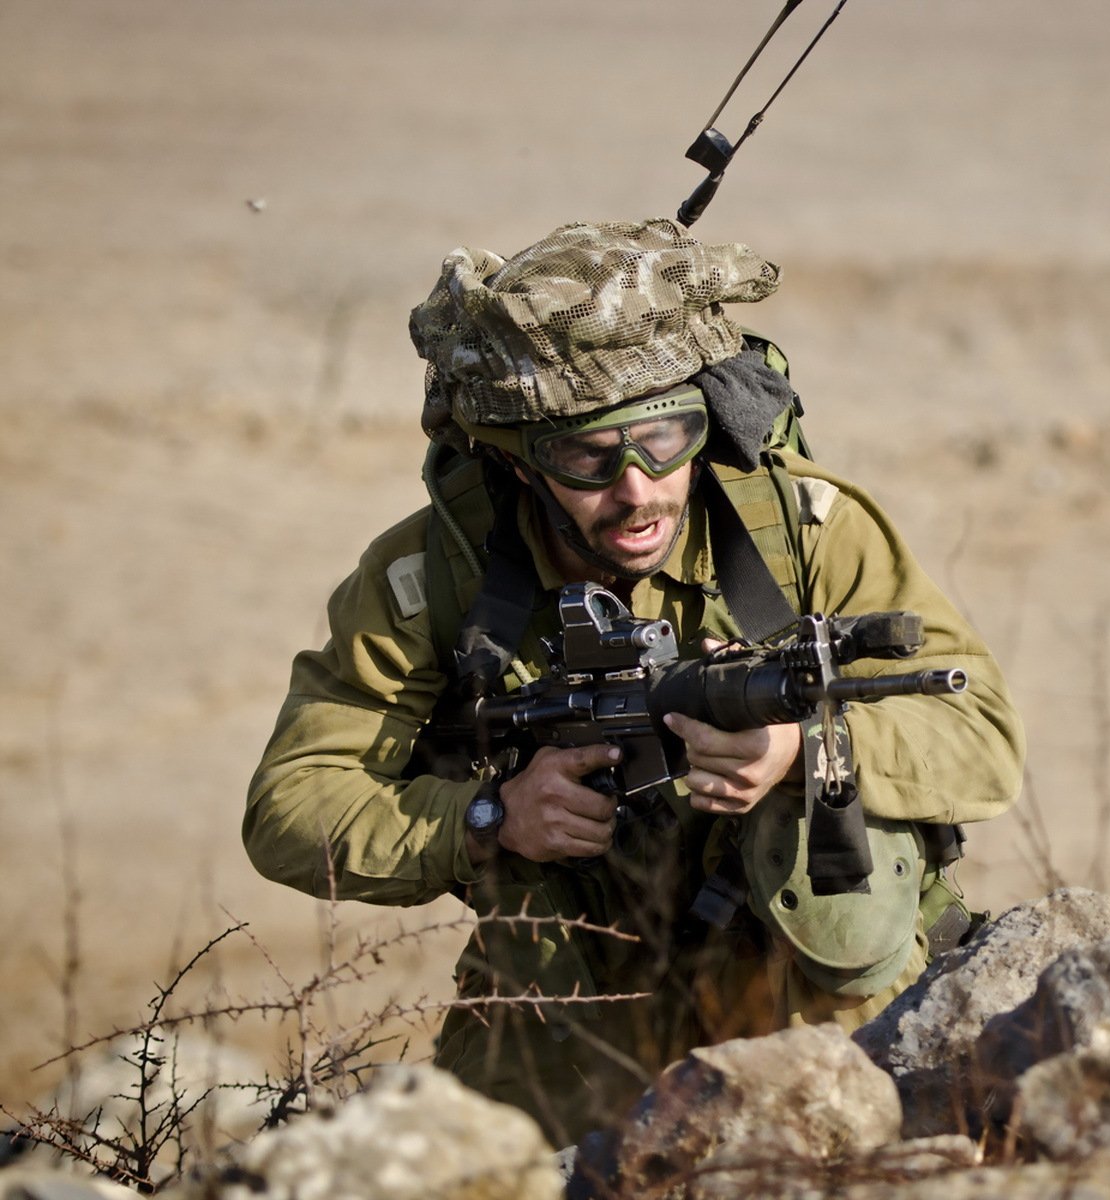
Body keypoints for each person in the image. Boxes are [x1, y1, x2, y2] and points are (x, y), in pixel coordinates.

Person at [244, 219, 1025, 1144]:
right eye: (589, 459)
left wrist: (806, 749)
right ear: (515, 459)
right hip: (570, 1026)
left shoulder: (805, 534)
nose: (639, 489)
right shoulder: (434, 580)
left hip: (819, 1017)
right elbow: (290, 806)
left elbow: (981, 734)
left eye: (668, 438)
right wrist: (488, 820)